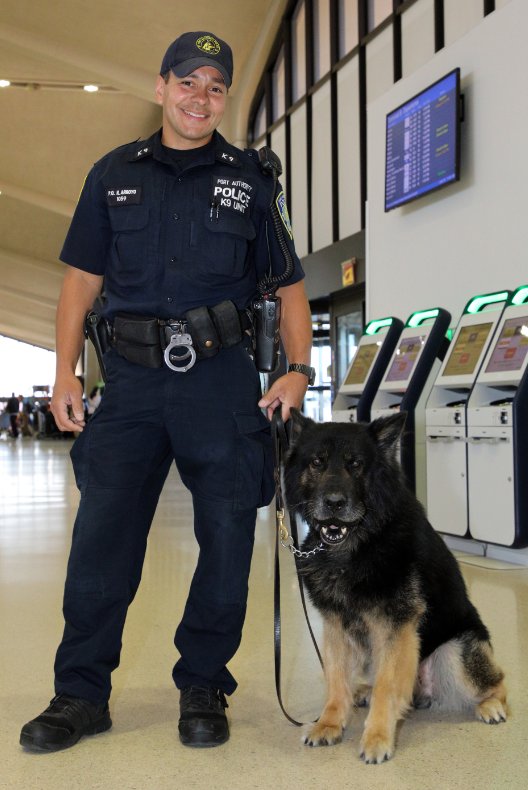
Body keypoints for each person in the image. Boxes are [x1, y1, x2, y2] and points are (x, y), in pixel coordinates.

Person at [20, 31, 314, 752]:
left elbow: (291, 288)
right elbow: (80, 281)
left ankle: (204, 684)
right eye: (188, 82)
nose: (199, 97)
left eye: (215, 86)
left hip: (219, 382)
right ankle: (80, 692)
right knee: (102, 541)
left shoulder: (251, 181)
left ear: (224, 98)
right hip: (130, 383)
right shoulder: (113, 172)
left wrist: (298, 370)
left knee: (224, 538)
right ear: (161, 88)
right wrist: (66, 371)